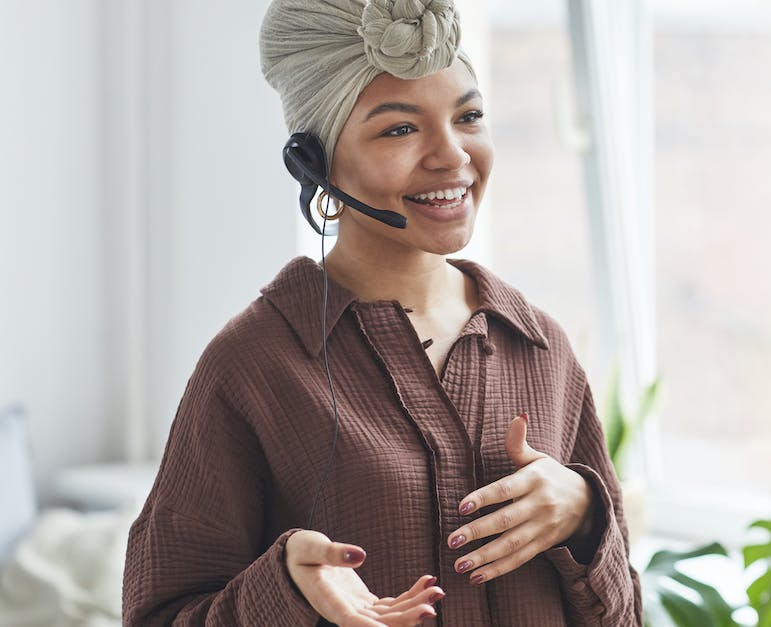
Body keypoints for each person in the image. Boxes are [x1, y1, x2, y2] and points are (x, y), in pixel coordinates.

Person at [121, 0, 642, 625]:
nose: (452, 156)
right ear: (314, 161)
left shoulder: (541, 349)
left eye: (469, 116)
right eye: (400, 128)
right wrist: (285, 590)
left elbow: (625, 613)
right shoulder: (254, 365)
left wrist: (586, 519)